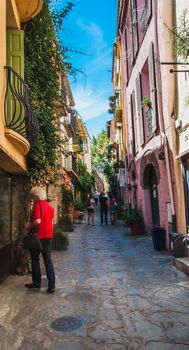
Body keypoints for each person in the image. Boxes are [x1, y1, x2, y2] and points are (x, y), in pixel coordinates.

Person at [24, 187, 55, 293]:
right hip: (48, 236)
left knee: (35, 259)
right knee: (47, 260)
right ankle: (52, 285)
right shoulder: (50, 207)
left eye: (33, 197)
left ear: (37, 196)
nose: (32, 200)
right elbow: (51, 222)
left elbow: (37, 221)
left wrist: (29, 226)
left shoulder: (38, 205)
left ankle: (37, 283)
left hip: (38, 236)